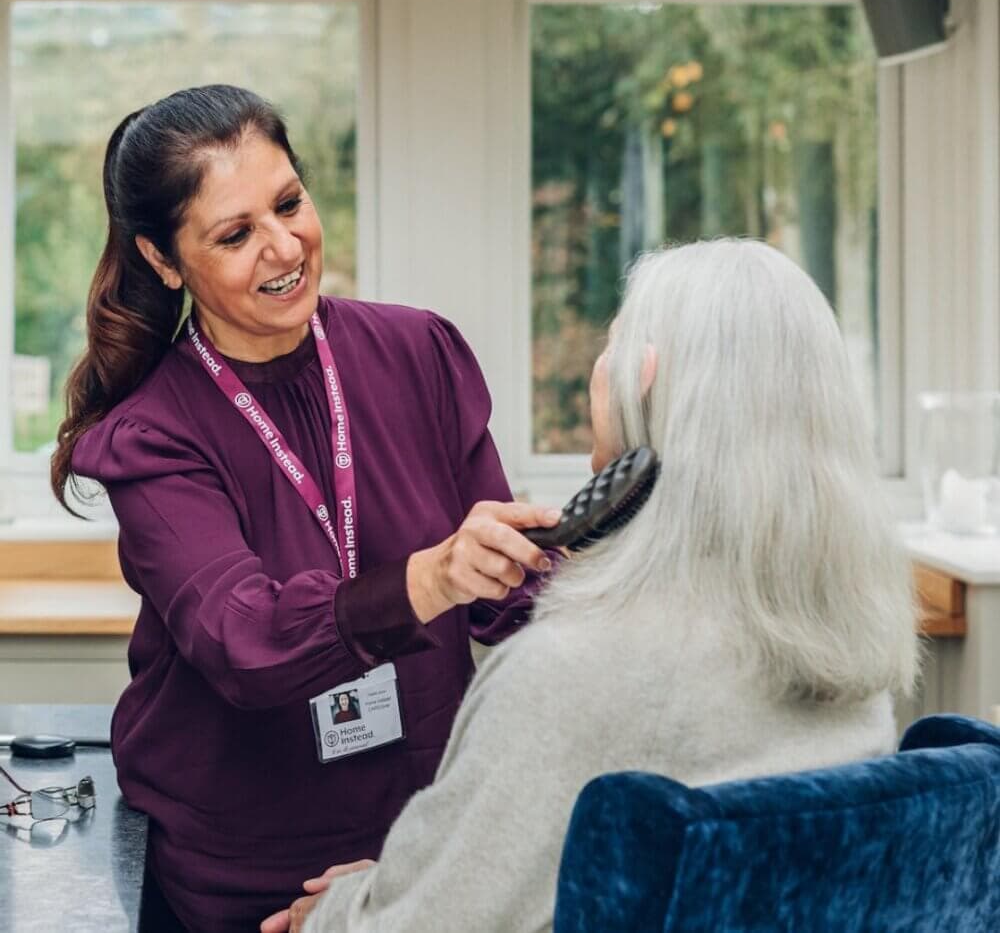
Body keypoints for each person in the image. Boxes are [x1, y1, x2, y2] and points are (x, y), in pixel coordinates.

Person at [265, 239, 918, 933]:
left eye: (611, 344)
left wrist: (336, 911)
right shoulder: (852, 663)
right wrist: (404, 880)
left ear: (644, 379)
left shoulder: (566, 673)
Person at [52, 84, 561, 933]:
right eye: (235, 233)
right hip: (241, 879)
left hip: (415, 855)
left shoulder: (418, 352)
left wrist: (585, 558)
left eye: (289, 203)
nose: (284, 245)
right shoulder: (152, 434)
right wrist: (429, 577)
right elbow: (243, 641)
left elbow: (508, 596)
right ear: (165, 259)